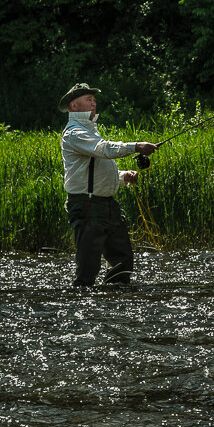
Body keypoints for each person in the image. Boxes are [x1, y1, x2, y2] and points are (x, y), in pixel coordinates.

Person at [59, 83, 158, 286]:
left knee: (123, 261)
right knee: (88, 265)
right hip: (86, 205)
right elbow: (103, 149)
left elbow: (94, 167)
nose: (93, 102)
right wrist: (136, 146)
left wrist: (122, 177)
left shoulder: (90, 130)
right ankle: (82, 307)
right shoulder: (74, 132)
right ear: (73, 106)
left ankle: (113, 303)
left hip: (106, 204)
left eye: (94, 99)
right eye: (88, 98)